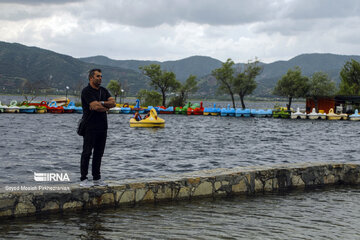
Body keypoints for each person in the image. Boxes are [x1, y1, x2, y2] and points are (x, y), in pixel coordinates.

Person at [80, 69, 116, 187]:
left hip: (103, 127)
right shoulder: (86, 91)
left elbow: (113, 103)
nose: (100, 78)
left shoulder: (104, 90)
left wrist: (101, 104)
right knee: (87, 153)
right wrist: (105, 106)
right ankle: (83, 179)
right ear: (91, 78)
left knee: (99, 154)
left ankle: (96, 178)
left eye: (101, 76)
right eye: (97, 76)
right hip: (89, 126)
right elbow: (95, 107)